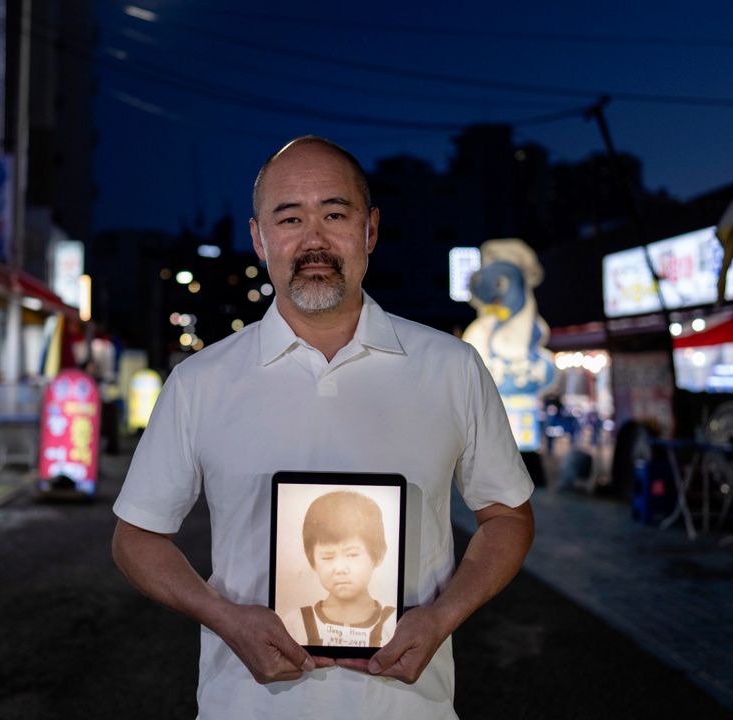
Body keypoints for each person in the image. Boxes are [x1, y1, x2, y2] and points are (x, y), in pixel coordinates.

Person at [111, 135, 535, 719]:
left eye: (335, 214)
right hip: (247, 708)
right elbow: (135, 536)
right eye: (289, 218)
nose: (313, 240)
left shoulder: (451, 368)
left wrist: (442, 616)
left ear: (371, 230)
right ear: (259, 239)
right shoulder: (200, 382)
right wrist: (224, 617)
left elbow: (507, 516)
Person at [279, 490, 397, 648]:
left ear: (377, 555)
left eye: (352, 554)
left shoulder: (395, 623)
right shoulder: (296, 623)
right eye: (327, 557)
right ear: (312, 560)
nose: (340, 569)